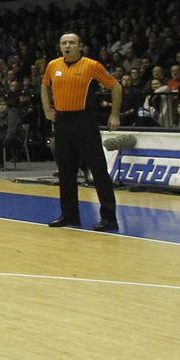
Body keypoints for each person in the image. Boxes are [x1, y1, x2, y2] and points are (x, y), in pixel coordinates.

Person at [42, 32, 122, 232]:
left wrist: (114, 114)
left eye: (71, 42)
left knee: (98, 170)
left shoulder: (92, 65)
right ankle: (69, 215)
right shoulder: (53, 65)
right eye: (64, 43)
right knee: (66, 170)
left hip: (85, 121)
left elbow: (116, 87)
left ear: (80, 46)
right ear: (60, 47)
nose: (67, 46)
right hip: (62, 121)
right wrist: (47, 108)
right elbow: (44, 87)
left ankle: (109, 218)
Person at [0, 99, 24, 168]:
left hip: (15, 137)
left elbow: (11, 131)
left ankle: (0, 163)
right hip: (2, 136)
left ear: (8, 106)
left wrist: (5, 141)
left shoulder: (12, 115)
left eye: (3, 105)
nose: (1, 107)